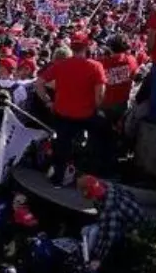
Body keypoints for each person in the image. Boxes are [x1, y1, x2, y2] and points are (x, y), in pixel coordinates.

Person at [36, 33, 107, 183]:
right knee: (101, 138)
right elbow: (99, 97)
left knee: (62, 147)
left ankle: (58, 178)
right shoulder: (96, 66)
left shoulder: (60, 65)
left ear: (71, 47)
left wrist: (48, 101)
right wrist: (97, 108)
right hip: (86, 115)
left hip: (63, 115)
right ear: (87, 47)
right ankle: (92, 176)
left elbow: (39, 83)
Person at [77, 175, 148, 271]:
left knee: (94, 232)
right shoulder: (107, 187)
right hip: (124, 220)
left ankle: (88, 262)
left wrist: (98, 258)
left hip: (135, 230)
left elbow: (109, 237)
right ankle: (86, 253)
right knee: (86, 230)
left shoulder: (110, 208)